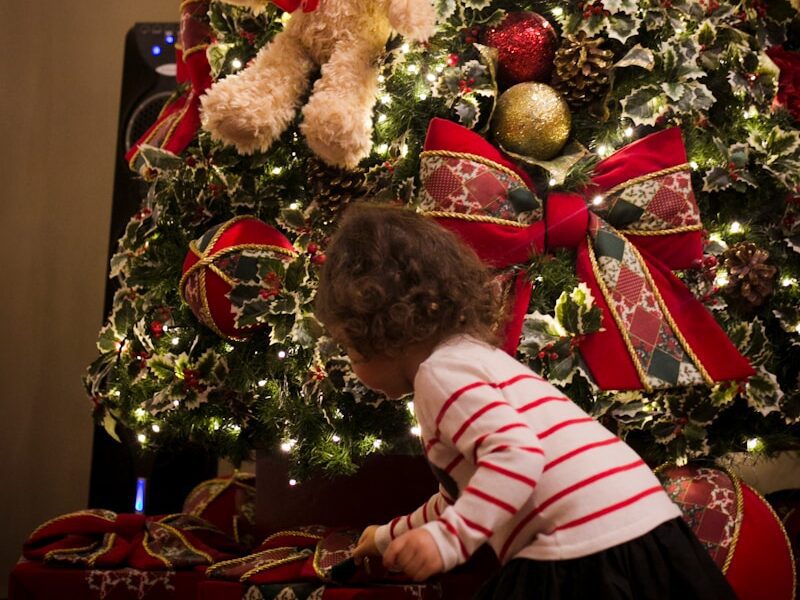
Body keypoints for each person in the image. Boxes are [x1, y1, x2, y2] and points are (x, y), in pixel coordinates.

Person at [314, 202, 737, 599]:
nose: (352, 367)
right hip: (649, 530)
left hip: (583, 550)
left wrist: (448, 540)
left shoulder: (438, 376)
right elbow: (465, 493)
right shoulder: (476, 359)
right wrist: (386, 535)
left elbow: (516, 457)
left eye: (348, 350)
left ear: (381, 333)